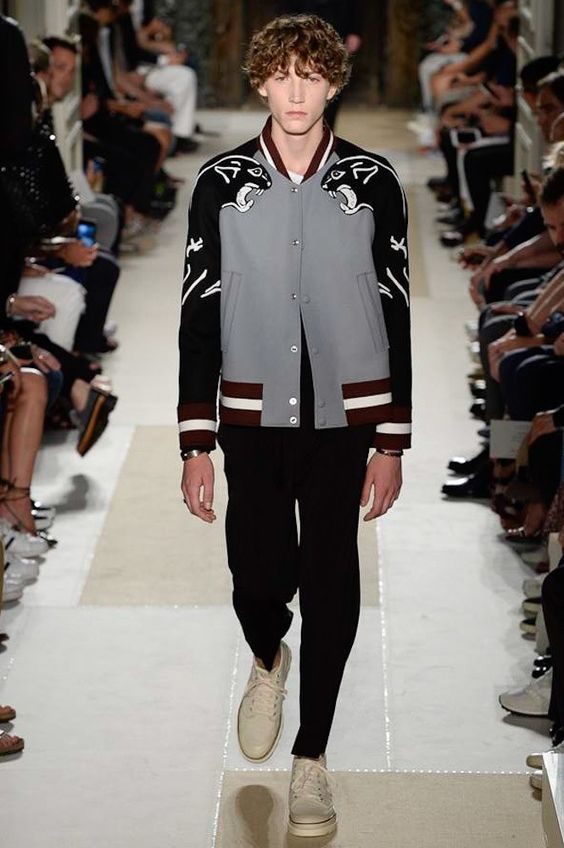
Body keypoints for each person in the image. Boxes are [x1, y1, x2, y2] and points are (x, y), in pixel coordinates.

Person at [177, 14, 412, 838]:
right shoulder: (221, 182)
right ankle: (269, 654)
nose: (297, 92)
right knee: (255, 572)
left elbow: (395, 307)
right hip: (250, 407)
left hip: (347, 412)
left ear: (334, 82)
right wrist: (195, 440)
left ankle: (312, 755)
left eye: (312, 76)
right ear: (261, 82)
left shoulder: (375, 182)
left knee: (332, 573)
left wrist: (392, 439)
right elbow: (197, 312)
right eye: (282, 75)